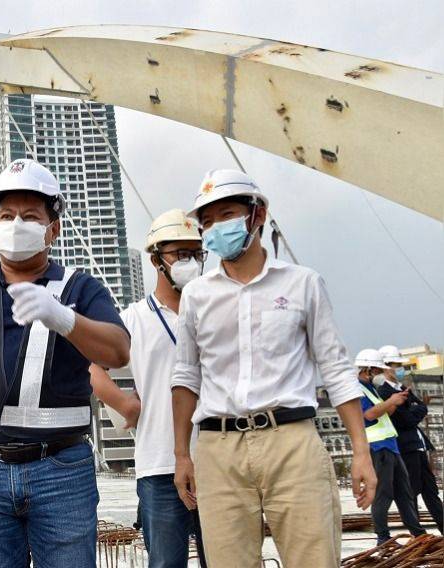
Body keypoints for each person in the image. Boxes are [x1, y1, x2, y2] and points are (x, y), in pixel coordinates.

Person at [0, 158, 130, 567]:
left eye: (30, 216)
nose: (16, 224)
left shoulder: (79, 288)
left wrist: (63, 316)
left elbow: (117, 351)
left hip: (61, 468)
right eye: (6, 215)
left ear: (54, 229)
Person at [170, 169, 378, 568]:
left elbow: (335, 368)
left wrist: (360, 451)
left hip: (292, 441)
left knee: (314, 558)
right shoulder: (196, 296)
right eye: (207, 222)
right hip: (218, 448)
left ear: (258, 214)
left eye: (226, 215)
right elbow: (186, 377)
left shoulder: (303, 284)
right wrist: (182, 454)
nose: (215, 229)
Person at [90, 208, 207, 568]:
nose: (190, 262)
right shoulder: (134, 319)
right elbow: (92, 366)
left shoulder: (212, 309)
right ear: (157, 260)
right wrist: (124, 405)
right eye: (180, 254)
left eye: (196, 254)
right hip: (158, 464)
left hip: (219, 459)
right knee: (166, 564)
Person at [355, 348, 427, 543]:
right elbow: (369, 415)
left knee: (404, 493)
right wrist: (390, 401)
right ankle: (383, 538)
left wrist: (396, 400)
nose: (379, 374)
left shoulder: (371, 390)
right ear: (367, 369)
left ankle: (419, 535)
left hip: (391, 446)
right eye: (377, 370)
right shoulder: (357, 389)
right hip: (378, 448)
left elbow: (384, 412)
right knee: (383, 494)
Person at [375, 345, 442, 533]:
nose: (400, 369)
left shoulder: (403, 388)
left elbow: (421, 407)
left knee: (431, 490)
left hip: (419, 445)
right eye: (396, 365)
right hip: (405, 447)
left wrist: (411, 409)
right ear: (386, 367)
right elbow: (404, 419)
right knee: (411, 492)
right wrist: (412, 410)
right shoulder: (385, 393)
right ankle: (418, 534)